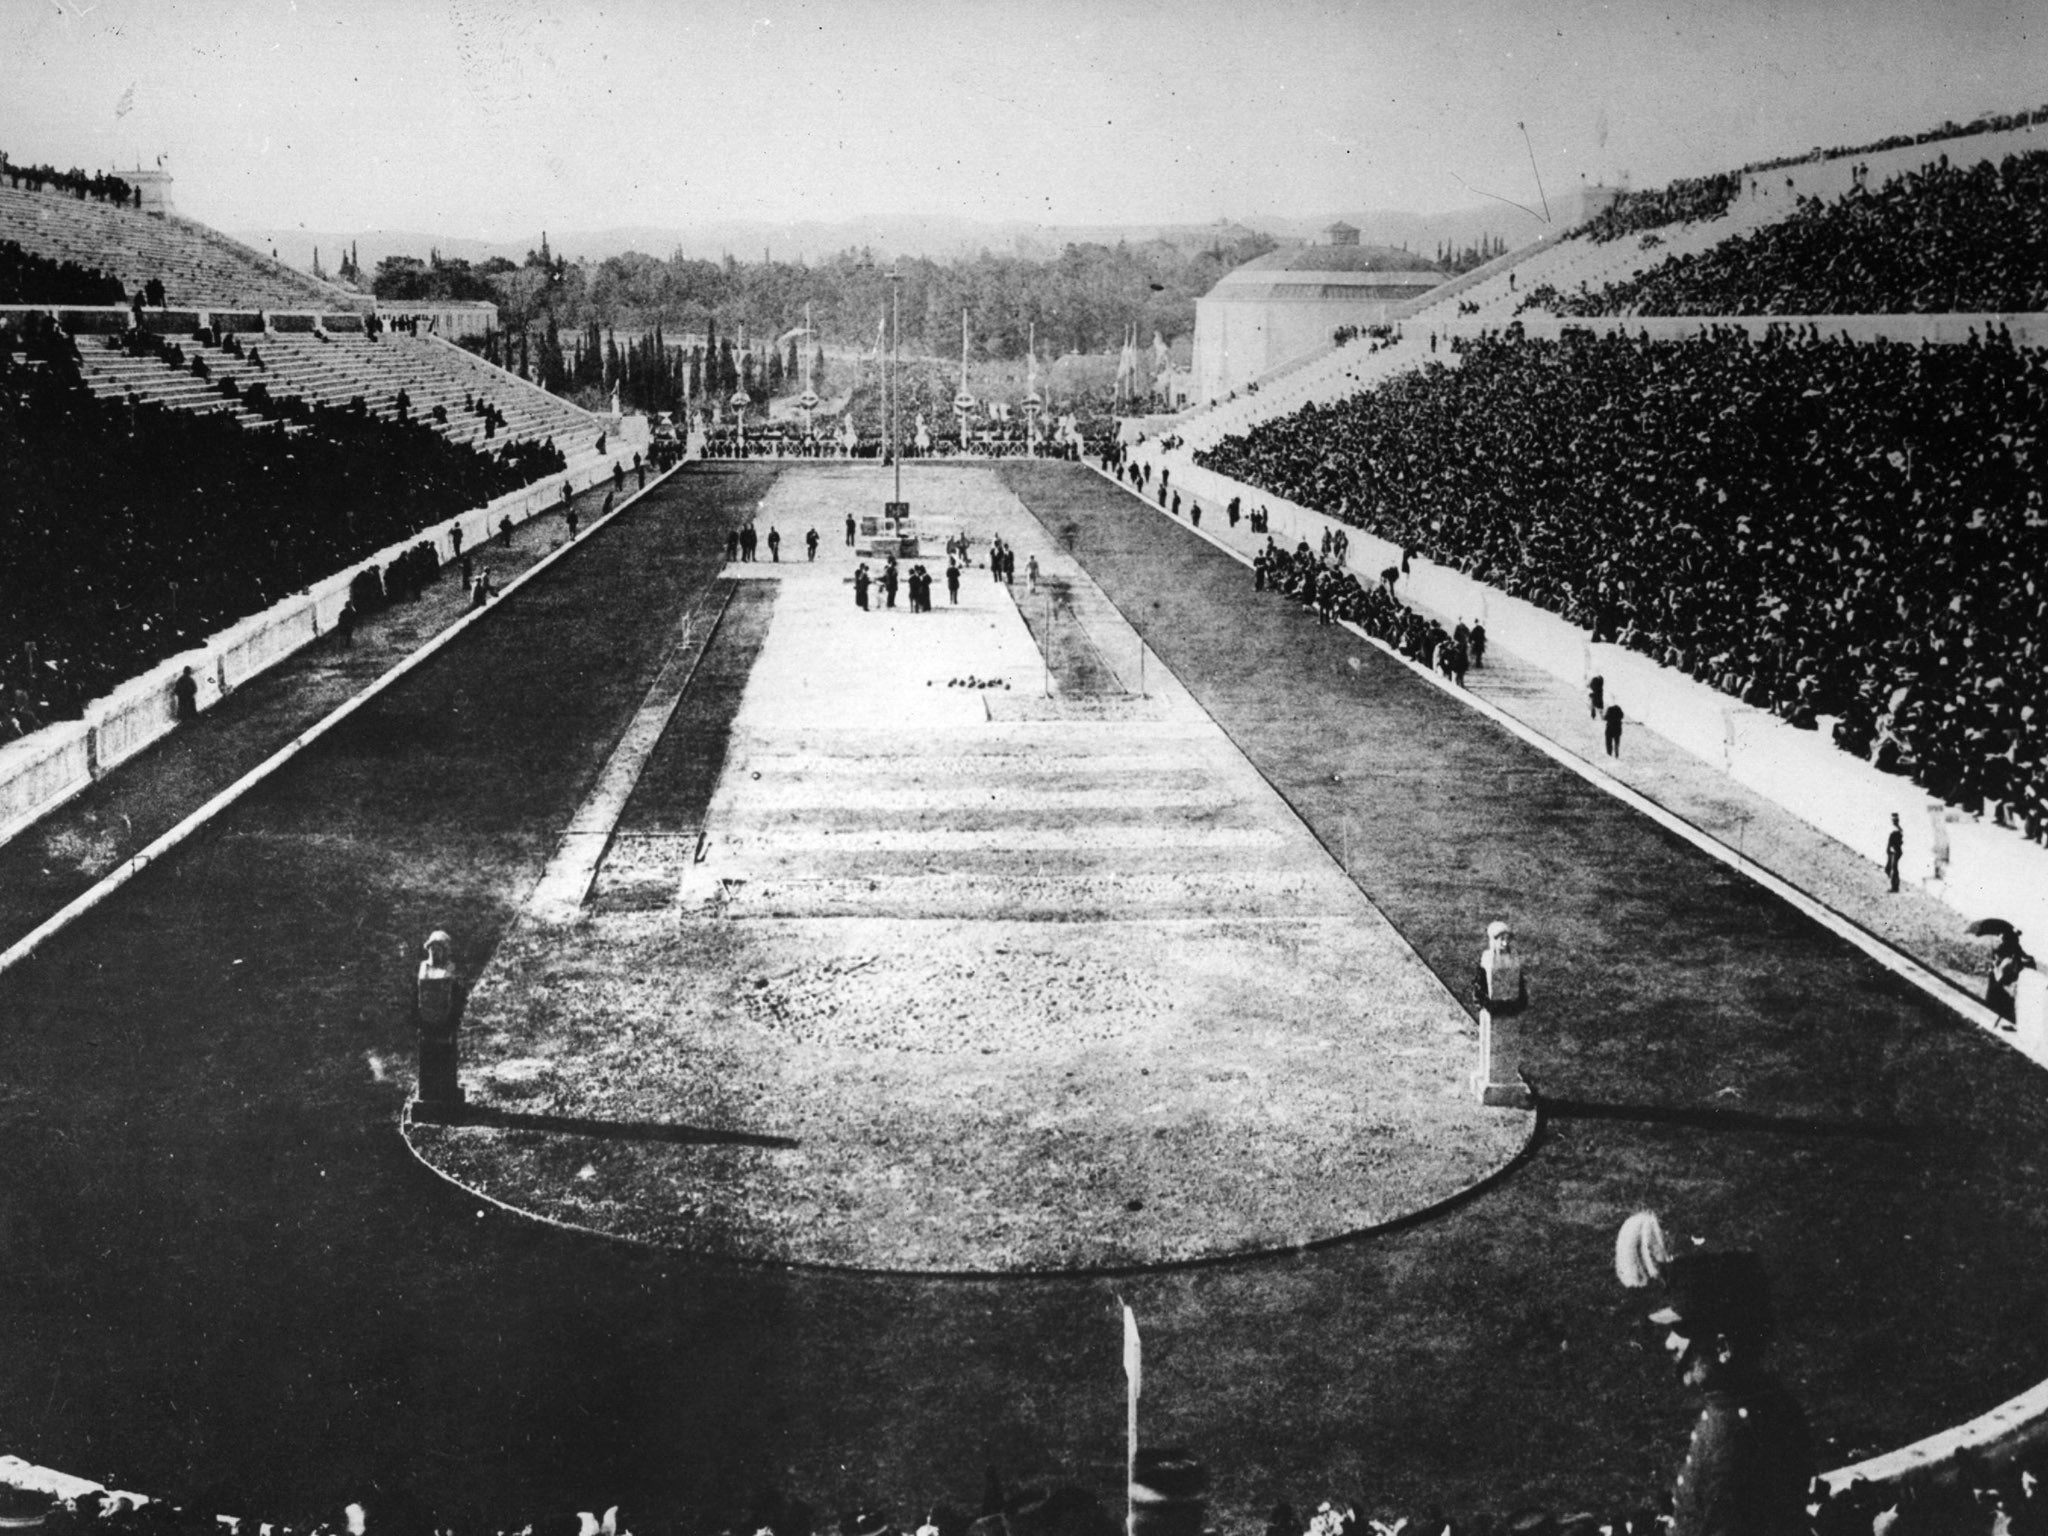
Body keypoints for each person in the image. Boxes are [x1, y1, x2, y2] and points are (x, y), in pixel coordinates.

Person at [1637, 1244, 1812, 1536]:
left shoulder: (1734, 1436)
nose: (1670, 1344)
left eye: (1682, 1332)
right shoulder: (1758, 1403)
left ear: (1722, 1347)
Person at [413, 929, 466, 1112]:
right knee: (428, 1057)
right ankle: (428, 1093)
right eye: (432, 949)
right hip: (427, 1021)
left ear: (446, 951)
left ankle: (446, 1093)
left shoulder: (450, 968)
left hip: (445, 1021)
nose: (435, 953)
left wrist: (453, 1019)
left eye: (439, 949)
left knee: (445, 1057)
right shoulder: (423, 968)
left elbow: (458, 994)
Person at [1987, 930, 2036, 1026]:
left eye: (2003, 939)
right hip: (2010, 996)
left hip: (2002, 995)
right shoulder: (2018, 957)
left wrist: (1994, 968)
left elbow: (2000, 980)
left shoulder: (2008, 961)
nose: (2000, 942)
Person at [1884, 813, 1904, 893]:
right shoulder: (1896, 829)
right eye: (1893, 819)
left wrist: (1893, 847)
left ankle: (1894, 887)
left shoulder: (1897, 830)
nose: (1893, 821)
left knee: (1893, 868)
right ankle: (1894, 885)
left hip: (1895, 852)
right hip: (1892, 852)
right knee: (1889, 868)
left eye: (1895, 820)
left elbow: (1899, 842)